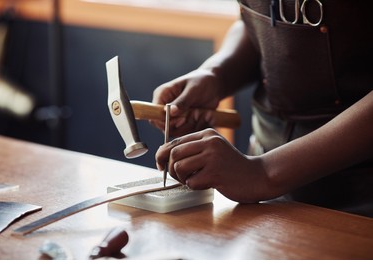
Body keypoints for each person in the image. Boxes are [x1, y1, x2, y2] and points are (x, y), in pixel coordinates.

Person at [152, 0, 373, 217]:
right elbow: (259, 21)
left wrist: (265, 173)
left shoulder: (261, 174)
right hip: (260, 181)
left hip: (360, 198)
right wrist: (217, 74)